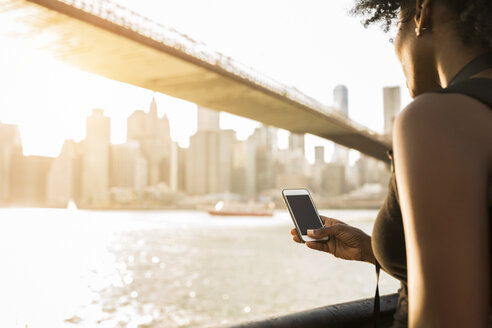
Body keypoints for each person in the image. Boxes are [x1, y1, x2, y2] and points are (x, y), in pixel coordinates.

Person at [291, 0, 492, 327]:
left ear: (422, 13)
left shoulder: (439, 118)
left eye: (396, 30)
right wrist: (373, 251)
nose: (396, 51)